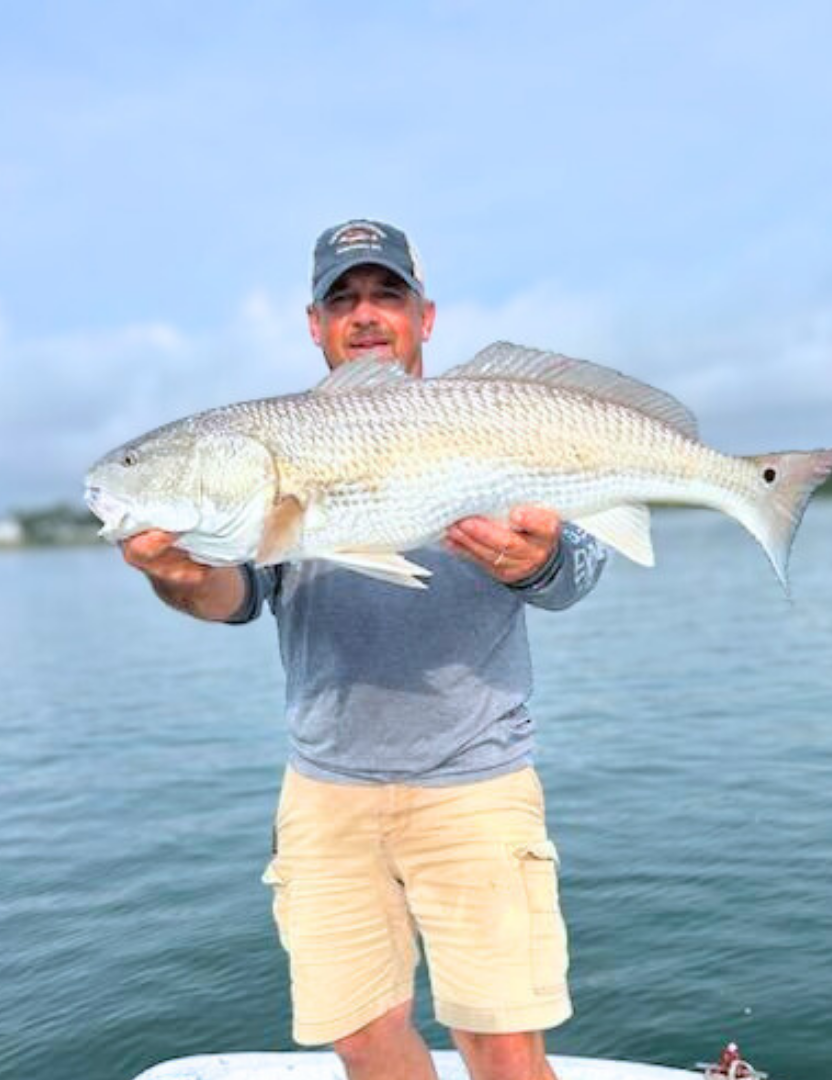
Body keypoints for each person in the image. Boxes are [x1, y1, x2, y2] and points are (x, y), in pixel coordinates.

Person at [121, 219, 606, 1080]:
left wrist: (542, 558)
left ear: (425, 314)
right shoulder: (271, 446)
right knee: (359, 1034)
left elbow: (574, 575)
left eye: (387, 294)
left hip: (475, 782)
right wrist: (180, 576)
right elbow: (236, 598)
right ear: (314, 324)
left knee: (501, 1042)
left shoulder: (501, 415)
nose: (366, 314)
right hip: (325, 793)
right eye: (342, 298)